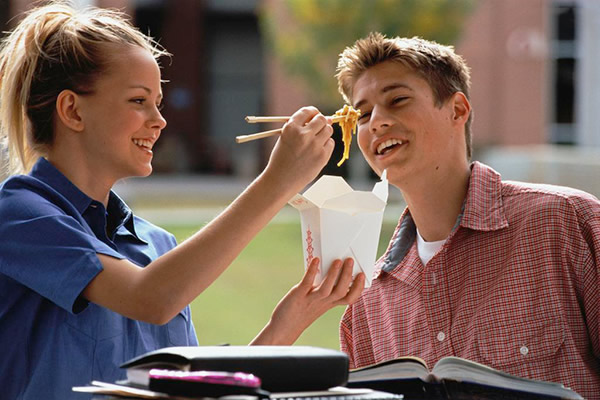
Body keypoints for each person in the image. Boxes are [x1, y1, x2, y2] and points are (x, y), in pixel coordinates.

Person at [0, 3, 365, 399]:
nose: (159, 120)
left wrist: (291, 319)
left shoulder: (157, 247)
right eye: (139, 101)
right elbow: (150, 298)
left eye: (158, 101)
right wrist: (276, 182)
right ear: (72, 110)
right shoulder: (18, 216)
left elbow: (194, 391)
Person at [334, 32, 600, 398]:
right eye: (363, 114)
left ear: (457, 109)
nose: (377, 122)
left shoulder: (567, 222)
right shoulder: (367, 304)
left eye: (397, 100)